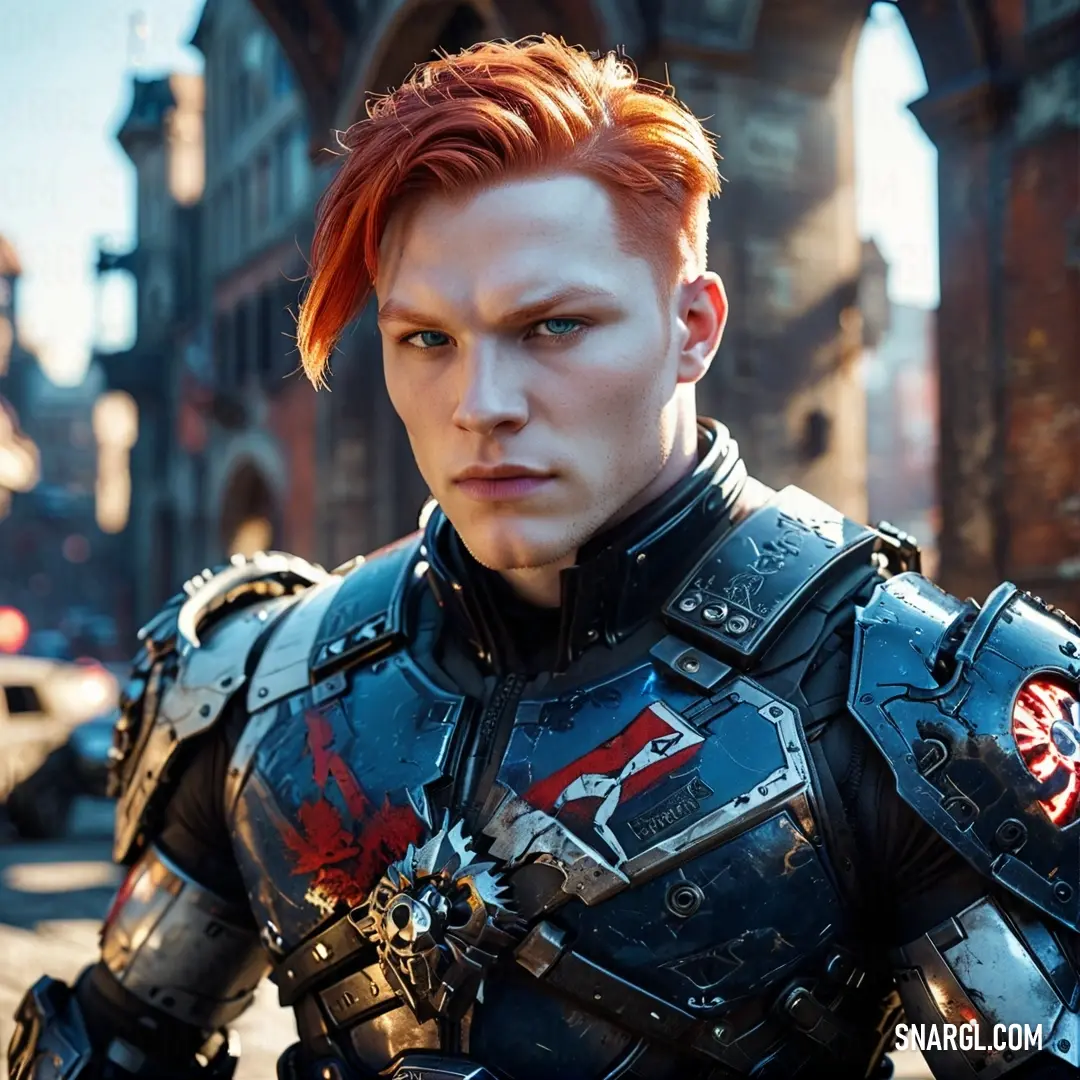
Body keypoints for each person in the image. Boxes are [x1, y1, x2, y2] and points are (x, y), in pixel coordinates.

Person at [9, 33, 1080, 1080]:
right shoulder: (265, 684)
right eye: (426, 339)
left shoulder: (907, 698)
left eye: (555, 327)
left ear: (693, 327)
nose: (481, 407)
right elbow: (107, 1047)